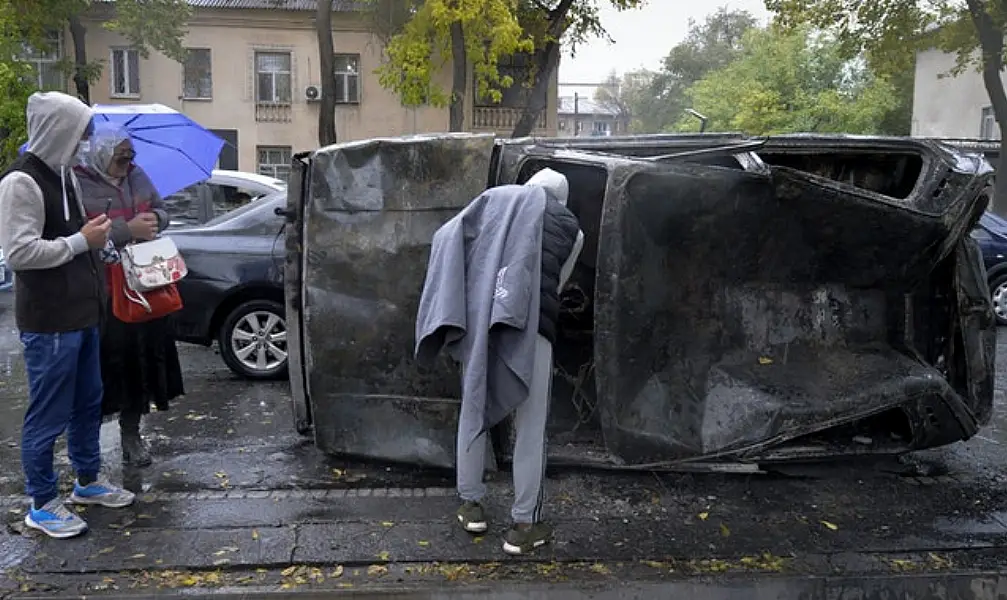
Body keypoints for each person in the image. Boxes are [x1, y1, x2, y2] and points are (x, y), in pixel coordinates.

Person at [415, 167, 583, 555]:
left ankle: (471, 506)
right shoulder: (572, 228)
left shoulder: (495, 201)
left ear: (528, 189)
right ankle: (524, 525)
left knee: (472, 408)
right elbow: (554, 285)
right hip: (531, 328)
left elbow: (447, 236)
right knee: (531, 426)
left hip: (480, 324)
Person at [0, 91, 136, 539]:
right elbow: (19, 253)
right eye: (79, 132)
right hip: (50, 320)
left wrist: (104, 246)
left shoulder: (65, 176)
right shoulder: (21, 182)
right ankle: (41, 503)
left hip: (83, 313)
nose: (85, 141)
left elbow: (78, 237)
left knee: (87, 404)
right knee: (48, 414)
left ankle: (87, 481)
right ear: (59, 130)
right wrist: (81, 242)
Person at [75, 122, 185, 468]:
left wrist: (156, 218)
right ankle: (86, 450)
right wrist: (127, 229)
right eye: (120, 157)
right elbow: (79, 237)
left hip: (145, 283)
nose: (127, 163)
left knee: (141, 362)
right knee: (108, 367)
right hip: (105, 291)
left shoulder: (138, 177)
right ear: (101, 153)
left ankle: (131, 434)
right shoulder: (79, 183)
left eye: (130, 156)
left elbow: (163, 210)